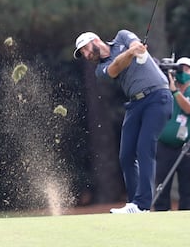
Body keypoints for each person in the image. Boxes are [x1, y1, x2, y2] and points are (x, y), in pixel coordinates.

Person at [73, 30, 173, 213]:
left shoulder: (122, 36)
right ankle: (135, 203)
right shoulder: (100, 69)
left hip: (158, 96)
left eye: (85, 49)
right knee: (126, 155)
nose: (86, 55)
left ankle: (142, 205)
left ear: (95, 40)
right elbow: (116, 68)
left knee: (144, 148)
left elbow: (134, 44)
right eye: (83, 54)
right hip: (136, 103)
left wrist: (136, 48)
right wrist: (131, 52)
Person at [154, 57, 190, 211]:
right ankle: (162, 216)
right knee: (161, 186)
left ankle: (187, 216)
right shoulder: (164, 91)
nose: (182, 72)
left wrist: (175, 91)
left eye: (186, 69)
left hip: (187, 147)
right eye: (179, 69)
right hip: (164, 147)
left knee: (187, 189)